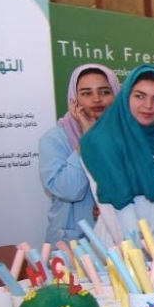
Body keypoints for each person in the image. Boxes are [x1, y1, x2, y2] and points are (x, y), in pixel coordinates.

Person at [80, 65, 154, 246]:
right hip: (123, 254)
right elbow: (118, 208)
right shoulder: (101, 141)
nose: (148, 106)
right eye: (139, 96)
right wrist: (138, 257)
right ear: (125, 96)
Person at [39, 63, 120, 243]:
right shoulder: (55, 139)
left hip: (118, 239)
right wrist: (86, 141)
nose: (96, 99)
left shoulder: (125, 136)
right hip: (72, 245)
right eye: (86, 93)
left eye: (105, 92)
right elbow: (69, 190)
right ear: (73, 99)